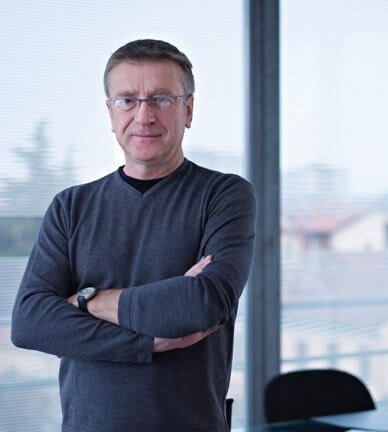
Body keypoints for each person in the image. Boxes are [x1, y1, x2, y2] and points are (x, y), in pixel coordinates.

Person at [10, 39, 257, 432]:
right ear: (110, 113)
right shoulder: (71, 206)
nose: (143, 115)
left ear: (187, 110)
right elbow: (31, 322)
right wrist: (147, 342)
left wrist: (87, 300)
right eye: (127, 100)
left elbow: (200, 304)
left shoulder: (224, 195)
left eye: (161, 99)